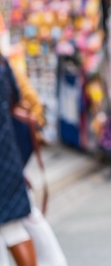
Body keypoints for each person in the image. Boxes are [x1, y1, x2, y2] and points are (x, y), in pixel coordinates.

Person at [0, 54, 37, 266]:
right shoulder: (3, 62)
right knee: (12, 227)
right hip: (8, 155)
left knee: (11, 229)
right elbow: (17, 96)